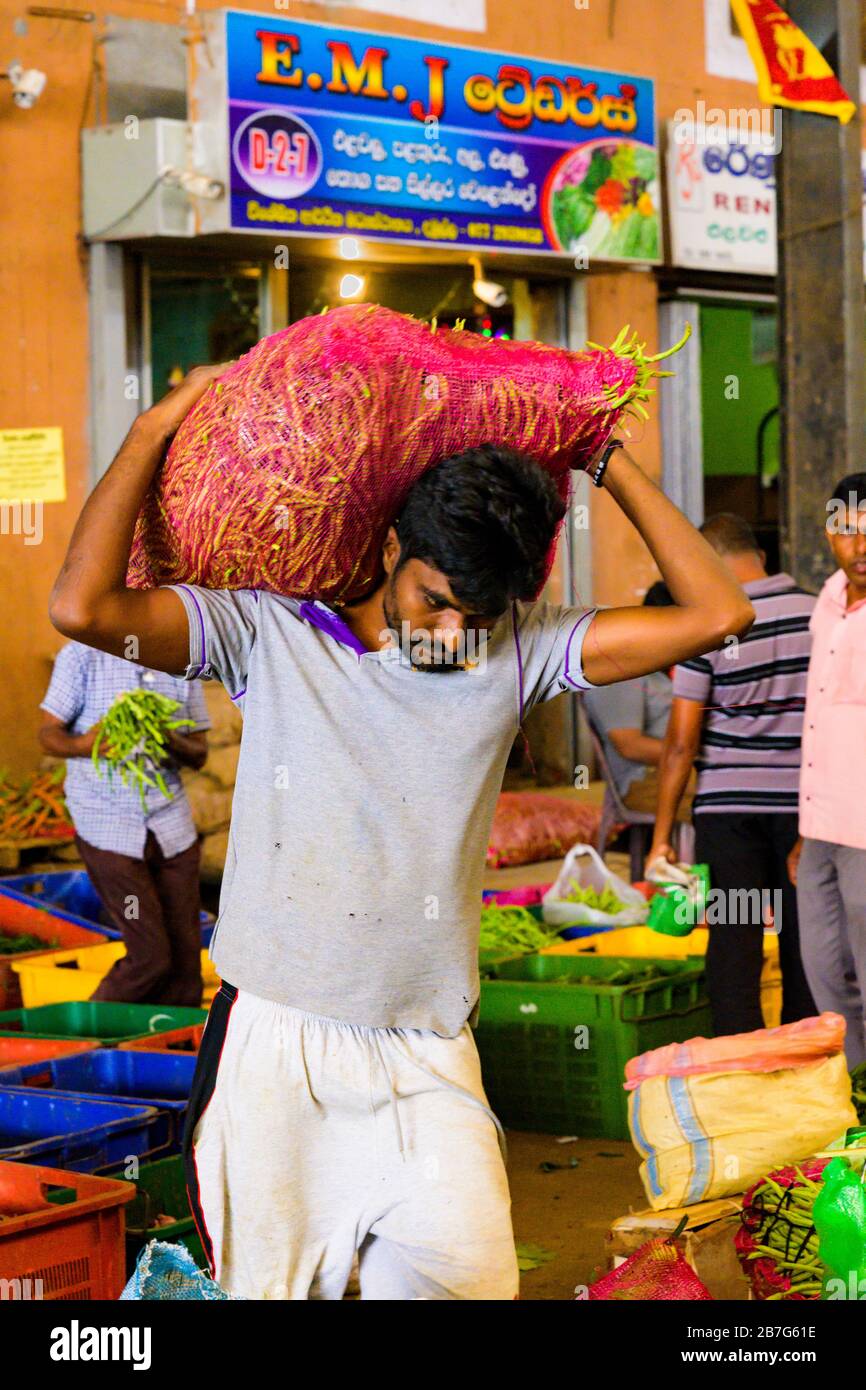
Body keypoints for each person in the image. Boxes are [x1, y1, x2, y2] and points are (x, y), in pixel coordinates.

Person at [47, 368, 752, 1301]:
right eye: (434, 598)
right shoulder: (269, 634)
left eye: (477, 610)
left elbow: (720, 613)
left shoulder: (517, 653)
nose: (450, 629)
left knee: (472, 1284)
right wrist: (150, 430)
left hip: (429, 1055)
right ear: (392, 549)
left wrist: (604, 456)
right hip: (277, 1053)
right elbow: (83, 608)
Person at [647, 512, 816, 1035]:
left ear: (709, 561)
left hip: (728, 813)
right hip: (804, 813)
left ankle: (740, 1067)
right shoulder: (821, 616)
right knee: (805, 942)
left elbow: (680, 744)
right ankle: (808, 1067)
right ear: (759, 556)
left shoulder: (712, 624)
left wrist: (660, 837)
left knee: (736, 939)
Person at [39, 643, 210, 1006]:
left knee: (185, 965)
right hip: (107, 823)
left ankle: (170, 1048)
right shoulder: (81, 657)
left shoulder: (182, 658)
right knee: (150, 956)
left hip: (171, 827)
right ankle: (85, 1037)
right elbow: (48, 736)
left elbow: (199, 754)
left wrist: (165, 736)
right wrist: (89, 745)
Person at [789, 474, 866, 1067]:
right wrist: (805, 828)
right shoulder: (828, 599)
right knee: (824, 969)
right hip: (822, 827)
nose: (860, 546)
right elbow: (819, 722)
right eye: (847, 531)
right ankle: (857, 1093)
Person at [583, 581, 695, 818]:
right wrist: (695, 755)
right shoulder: (620, 671)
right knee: (721, 797)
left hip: (677, 766)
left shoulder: (662, 668)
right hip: (643, 780)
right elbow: (630, 746)